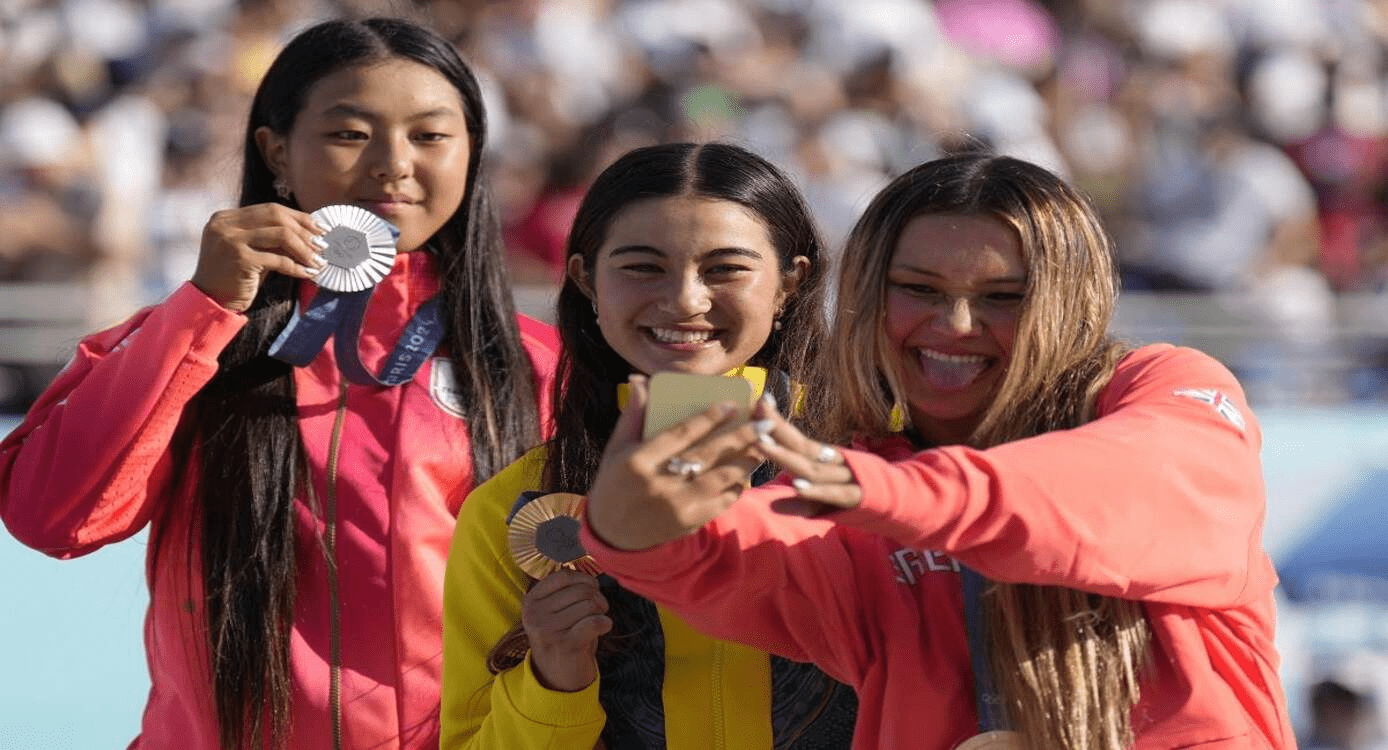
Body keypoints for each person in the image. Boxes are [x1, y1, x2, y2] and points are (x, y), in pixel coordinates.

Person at [576, 152, 1296, 749]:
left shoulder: (1168, 389)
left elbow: (1124, 486)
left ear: (1070, 298)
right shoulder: (865, 490)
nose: (955, 324)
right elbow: (738, 559)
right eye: (918, 289)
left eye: (1005, 296)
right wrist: (636, 532)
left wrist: (892, 495)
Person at [0, 17, 558, 750]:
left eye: (430, 136)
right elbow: (53, 516)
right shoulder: (188, 337)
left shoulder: (537, 364)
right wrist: (204, 309)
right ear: (276, 152)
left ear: (472, 154)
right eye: (350, 134)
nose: (394, 164)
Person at [439, 142, 858, 749]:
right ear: (586, 279)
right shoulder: (511, 508)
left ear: (791, 282)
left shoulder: (879, 466)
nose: (686, 299)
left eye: (725, 268)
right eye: (642, 267)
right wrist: (554, 680)